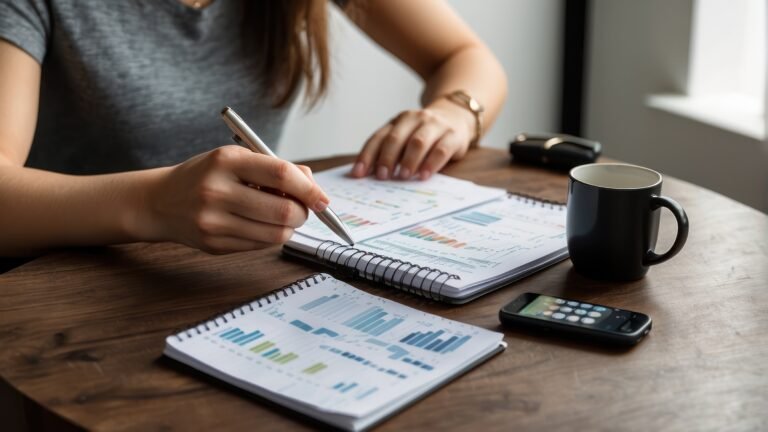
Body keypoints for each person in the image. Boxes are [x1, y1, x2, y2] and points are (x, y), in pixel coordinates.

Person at [0, 0, 507, 257]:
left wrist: (454, 112)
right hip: (65, 288)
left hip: (237, 275)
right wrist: (154, 201)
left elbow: (465, 57)